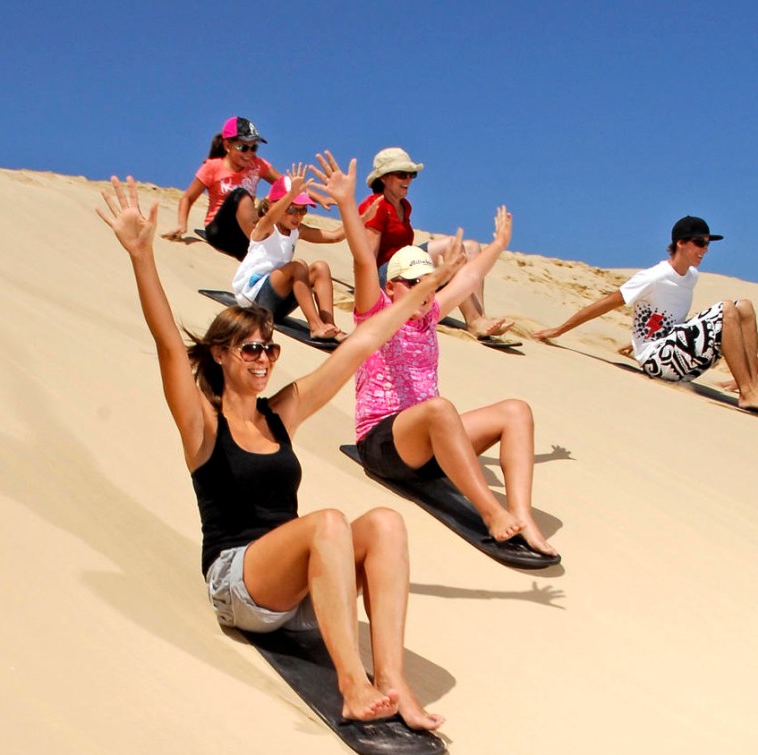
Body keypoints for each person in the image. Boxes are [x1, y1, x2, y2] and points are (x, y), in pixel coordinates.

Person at [97, 174, 450, 730]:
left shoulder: (279, 413)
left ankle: (392, 680)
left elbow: (358, 345)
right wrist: (142, 255)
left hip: (298, 586)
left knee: (384, 522)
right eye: (251, 349)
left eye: (271, 347)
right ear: (220, 353)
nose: (264, 359)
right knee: (328, 521)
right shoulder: (201, 423)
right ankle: (352, 685)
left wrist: (425, 293)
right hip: (236, 582)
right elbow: (168, 342)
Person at [311, 152, 560, 562]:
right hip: (383, 445)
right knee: (439, 408)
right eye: (412, 282)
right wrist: (343, 202)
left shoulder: (427, 316)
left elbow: (468, 278)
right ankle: (491, 512)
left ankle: (522, 515)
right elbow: (361, 258)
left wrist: (497, 245)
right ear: (391, 287)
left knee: (516, 411)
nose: (422, 290)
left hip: (428, 443)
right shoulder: (373, 312)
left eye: (426, 282)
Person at [533, 216, 758, 412]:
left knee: (745, 307)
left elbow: (664, 319)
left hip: (675, 356)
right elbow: (608, 303)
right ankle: (748, 392)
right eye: (699, 242)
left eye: (707, 244)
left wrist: (636, 340)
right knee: (726, 308)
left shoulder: (691, 276)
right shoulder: (653, 277)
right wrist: (560, 330)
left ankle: (752, 385)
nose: (705, 249)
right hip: (657, 362)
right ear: (680, 243)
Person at [359, 147, 514, 338]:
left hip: (408, 270)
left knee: (472, 246)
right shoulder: (375, 205)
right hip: (385, 277)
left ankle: (480, 315)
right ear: (383, 178)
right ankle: (474, 321)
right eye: (401, 174)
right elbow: (367, 256)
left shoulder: (404, 207)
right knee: (451, 245)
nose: (408, 179)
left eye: (411, 174)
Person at [232, 165, 349, 341]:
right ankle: (315, 326)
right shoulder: (264, 229)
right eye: (292, 209)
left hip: (278, 302)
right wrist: (290, 195)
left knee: (320, 268)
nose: (298, 216)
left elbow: (335, 237)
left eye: (302, 210)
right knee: (298, 267)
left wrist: (357, 214)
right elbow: (271, 217)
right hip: (253, 299)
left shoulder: (296, 231)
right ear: (275, 204)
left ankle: (329, 324)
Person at [162, 117, 282, 259]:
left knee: (276, 203)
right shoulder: (212, 167)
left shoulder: (258, 165)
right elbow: (187, 198)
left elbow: (289, 185)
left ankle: (262, 251)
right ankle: (260, 246)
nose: (249, 153)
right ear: (227, 145)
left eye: (253, 147)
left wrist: (315, 197)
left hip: (243, 234)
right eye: (243, 147)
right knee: (240, 195)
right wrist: (182, 224)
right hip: (219, 231)